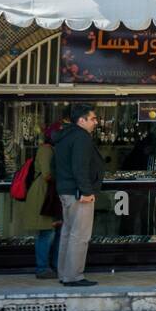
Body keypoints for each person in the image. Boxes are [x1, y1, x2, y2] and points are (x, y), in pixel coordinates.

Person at [53, 103, 103, 287]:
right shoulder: (81, 137)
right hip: (78, 193)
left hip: (65, 191)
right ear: (81, 120)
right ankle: (74, 276)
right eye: (92, 119)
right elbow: (80, 167)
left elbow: (55, 165)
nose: (95, 122)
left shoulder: (64, 136)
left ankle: (64, 273)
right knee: (80, 235)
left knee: (67, 233)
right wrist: (86, 191)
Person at [12, 122, 63, 279]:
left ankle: (53, 266)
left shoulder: (52, 149)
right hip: (43, 195)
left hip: (50, 195)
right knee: (46, 232)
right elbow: (48, 174)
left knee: (54, 232)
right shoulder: (46, 150)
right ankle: (42, 268)